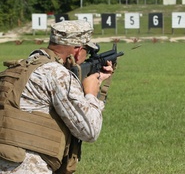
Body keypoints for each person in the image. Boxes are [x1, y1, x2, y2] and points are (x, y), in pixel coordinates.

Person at [0, 20, 114, 173]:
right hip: (27, 167)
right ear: (78, 50)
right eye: (86, 51)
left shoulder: (20, 67)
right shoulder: (57, 74)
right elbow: (89, 130)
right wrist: (91, 94)